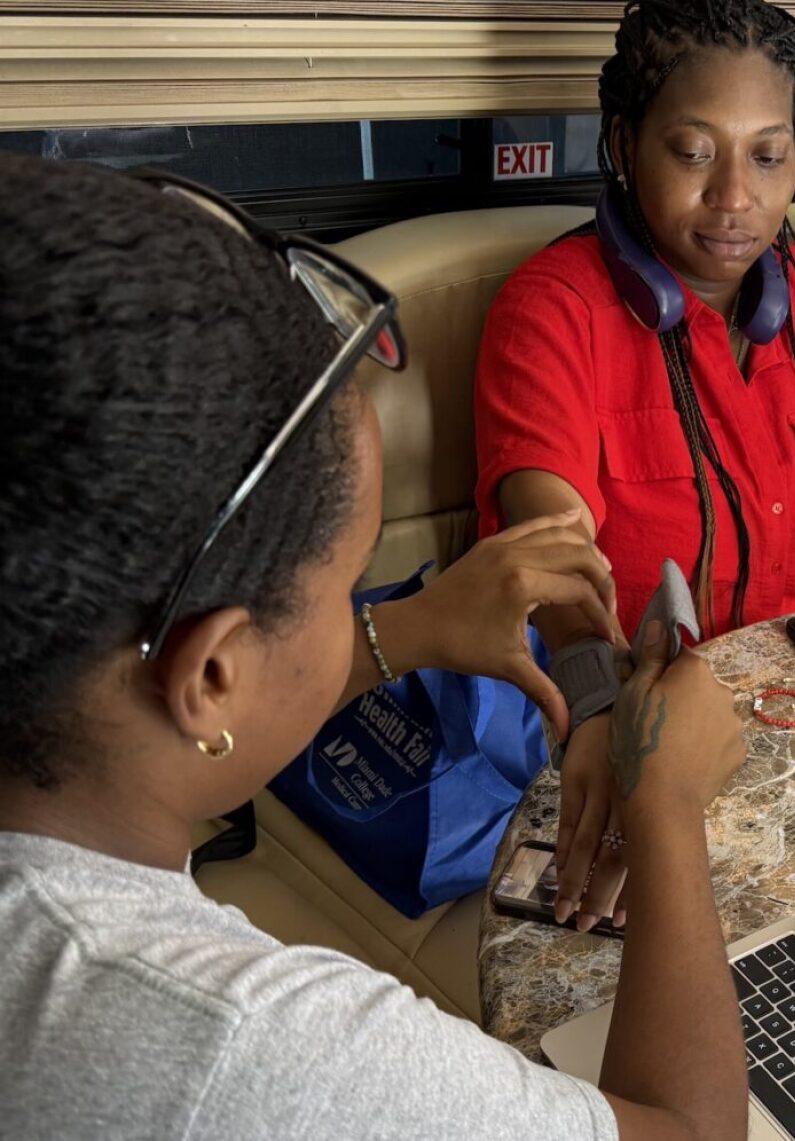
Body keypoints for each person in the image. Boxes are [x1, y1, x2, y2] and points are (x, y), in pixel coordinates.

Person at [0, 152, 750, 1140]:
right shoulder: (248, 1043)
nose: (357, 602)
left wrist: (398, 630)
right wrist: (666, 802)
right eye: (343, 581)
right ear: (213, 674)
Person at [474, 0, 795, 934]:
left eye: (767, 155)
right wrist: (609, 717)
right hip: (644, 763)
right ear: (624, 142)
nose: (735, 198)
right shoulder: (550, 314)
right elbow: (554, 563)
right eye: (694, 152)